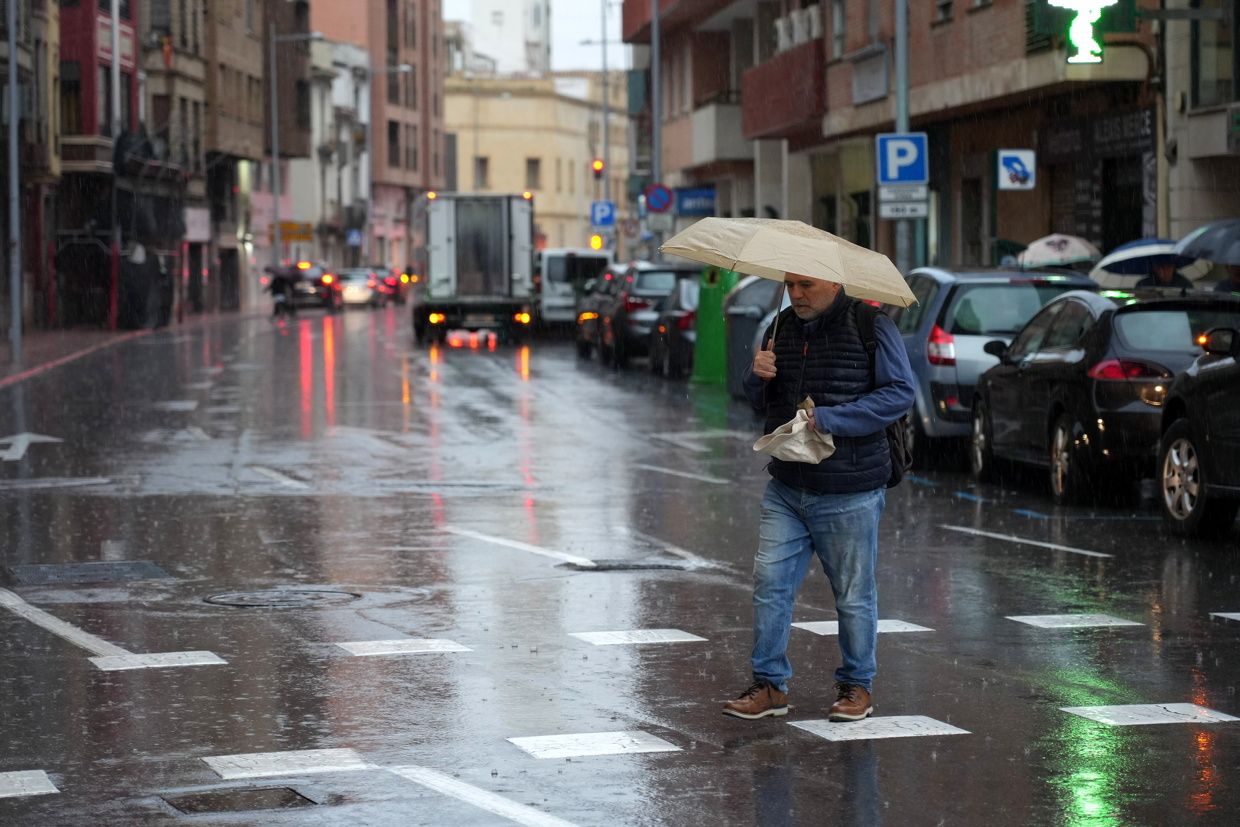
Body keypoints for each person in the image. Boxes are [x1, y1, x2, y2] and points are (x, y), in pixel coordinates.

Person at [723, 274, 914, 723]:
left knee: (852, 595)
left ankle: (856, 686)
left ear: (832, 281)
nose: (796, 295)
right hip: (787, 485)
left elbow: (899, 394)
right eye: (790, 286)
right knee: (770, 585)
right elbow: (759, 398)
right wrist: (757, 374)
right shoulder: (781, 327)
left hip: (849, 489)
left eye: (805, 285)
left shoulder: (872, 325)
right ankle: (769, 685)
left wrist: (831, 418)